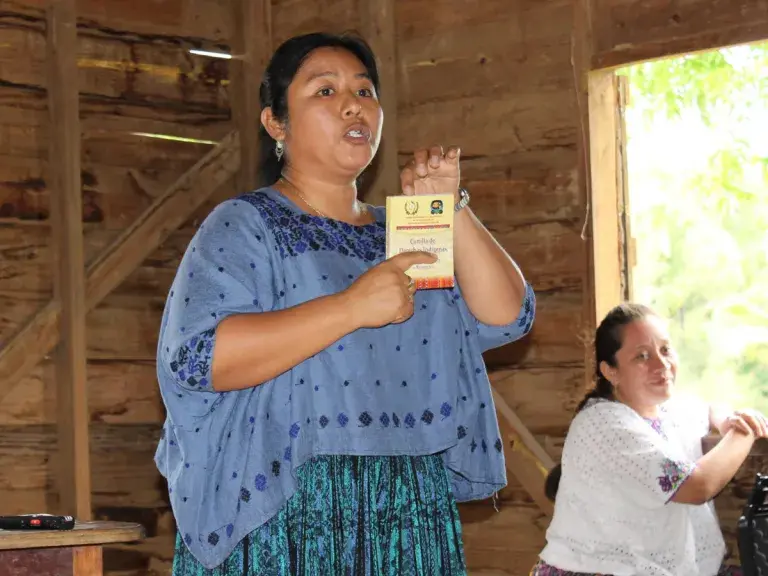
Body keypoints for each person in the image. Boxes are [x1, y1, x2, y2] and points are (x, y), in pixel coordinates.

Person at [154, 31, 536, 575]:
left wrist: (452, 208)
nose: (354, 104)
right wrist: (351, 307)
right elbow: (196, 358)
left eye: (365, 90)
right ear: (276, 124)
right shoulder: (244, 225)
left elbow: (509, 315)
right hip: (291, 506)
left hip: (405, 507)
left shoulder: (404, 231)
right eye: (325, 92)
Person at [531, 303, 768, 576]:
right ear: (610, 371)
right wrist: (745, 430)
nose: (662, 364)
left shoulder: (668, 410)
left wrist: (728, 419)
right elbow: (697, 486)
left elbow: (708, 408)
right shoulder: (603, 424)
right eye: (642, 356)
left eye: (665, 349)